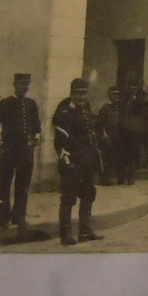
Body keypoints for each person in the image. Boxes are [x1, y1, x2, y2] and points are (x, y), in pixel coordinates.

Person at [0, 72, 41, 233]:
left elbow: (37, 127)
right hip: (9, 151)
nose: (25, 88)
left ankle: (19, 217)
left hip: (26, 152)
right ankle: (3, 218)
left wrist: (34, 141)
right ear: (14, 85)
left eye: (27, 85)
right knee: (5, 184)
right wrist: (0, 143)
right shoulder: (5, 104)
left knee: (23, 186)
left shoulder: (31, 104)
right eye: (22, 85)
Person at [52, 77, 104, 245]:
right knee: (69, 196)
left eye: (84, 93)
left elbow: (90, 133)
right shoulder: (64, 109)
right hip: (73, 159)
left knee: (88, 193)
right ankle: (65, 234)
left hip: (87, 159)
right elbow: (60, 139)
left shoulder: (85, 106)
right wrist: (66, 159)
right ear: (71, 93)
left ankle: (84, 231)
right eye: (78, 94)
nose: (81, 97)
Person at [95, 86, 123, 185]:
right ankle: (104, 178)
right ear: (109, 94)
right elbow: (100, 122)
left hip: (115, 133)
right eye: (114, 94)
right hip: (106, 133)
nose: (116, 96)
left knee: (113, 155)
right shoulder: (105, 107)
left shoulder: (117, 107)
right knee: (105, 156)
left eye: (117, 94)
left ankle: (111, 176)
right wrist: (103, 132)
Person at [118, 85, 143, 184]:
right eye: (131, 89)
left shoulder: (140, 102)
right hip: (124, 131)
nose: (133, 91)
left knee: (133, 154)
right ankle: (122, 176)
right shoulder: (123, 102)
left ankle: (131, 176)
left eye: (135, 89)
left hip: (134, 131)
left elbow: (142, 116)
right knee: (123, 154)